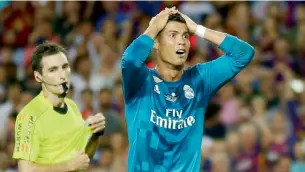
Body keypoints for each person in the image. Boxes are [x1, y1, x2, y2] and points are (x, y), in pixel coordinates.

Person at [121, 7, 255, 171]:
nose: (181, 41)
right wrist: (153, 27)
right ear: (156, 42)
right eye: (173, 35)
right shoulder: (141, 82)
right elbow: (130, 61)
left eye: (185, 36)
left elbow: (243, 54)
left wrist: (197, 29)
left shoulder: (199, 80)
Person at [12, 42, 106, 172]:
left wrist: (95, 135)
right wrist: (69, 166)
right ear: (38, 76)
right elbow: (26, 169)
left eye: (64, 67)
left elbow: (83, 159)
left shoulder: (72, 106)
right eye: (53, 70)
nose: (62, 75)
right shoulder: (30, 115)